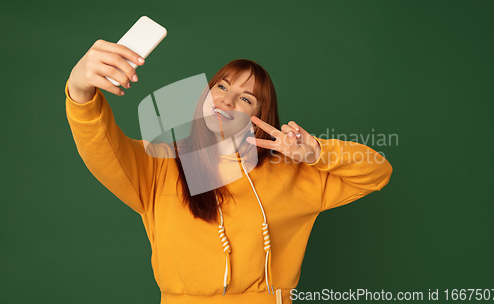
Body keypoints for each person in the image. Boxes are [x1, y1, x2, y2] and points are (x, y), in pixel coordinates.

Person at [65, 39, 393, 304]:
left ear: (261, 116)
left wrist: (317, 153)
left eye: (246, 98)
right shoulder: (160, 162)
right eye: (221, 87)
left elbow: (377, 172)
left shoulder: (293, 174)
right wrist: (81, 91)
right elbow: (102, 147)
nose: (227, 100)